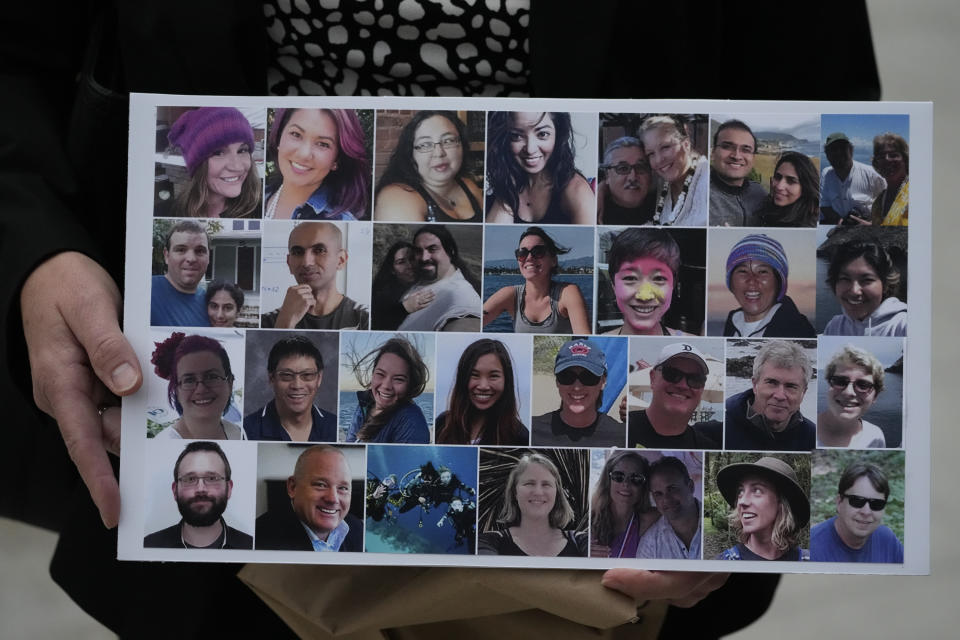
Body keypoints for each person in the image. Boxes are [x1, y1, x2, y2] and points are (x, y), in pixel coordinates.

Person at [7, 3, 883, 636]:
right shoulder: (312, 365)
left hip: (605, 594)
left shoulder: (547, 346)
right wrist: (37, 249)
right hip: (221, 574)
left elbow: (811, 79)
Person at [485, 111, 594, 225]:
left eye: (542, 134)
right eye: (516, 136)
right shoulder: (503, 185)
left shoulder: (577, 191)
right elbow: (493, 241)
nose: (530, 149)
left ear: (558, 134)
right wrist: (506, 193)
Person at [374, 111, 483, 222]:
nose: (439, 153)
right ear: (410, 154)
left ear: (462, 146)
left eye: (448, 140)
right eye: (425, 144)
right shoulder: (396, 198)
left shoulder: (469, 186)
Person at [264, 108, 369, 220]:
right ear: (279, 137)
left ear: (337, 160)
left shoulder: (345, 222)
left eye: (323, 144)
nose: (304, 154)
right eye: (296, 134)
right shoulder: (256, 199)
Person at [260, 221, 369, 329]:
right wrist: (285, 323)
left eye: (319, 250)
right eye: (297, 252)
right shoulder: (266, 322)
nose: (306, 263)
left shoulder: (365, 318)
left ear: (340, 260)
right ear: (289, 263)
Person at [144, 441, 252, 549]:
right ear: (175, 491)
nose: (201, 489)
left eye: (212, 478)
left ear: (229, 489)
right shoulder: (149, 545)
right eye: (190, 479)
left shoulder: (249, 546)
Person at [482, 226, 590, 334]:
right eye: (522, 253)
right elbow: (476, 319)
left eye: (538, 251)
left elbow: (584, 340)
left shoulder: (568, 293)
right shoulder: (510, 295)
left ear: (553, 260)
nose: (529, 258)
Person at [255, 445, 363, 552]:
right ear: (292, 487)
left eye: (343, 488)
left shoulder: (358, 529)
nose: (333, 499)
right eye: (321, 485)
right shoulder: (259, 539)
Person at [478, 453, 587, 556]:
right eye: (529, 483)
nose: (538, 492)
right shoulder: (490, 541)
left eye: (546, 484)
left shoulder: (580, 540)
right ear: (515, 492)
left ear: (557, 494)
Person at [162, 107, 261, 219]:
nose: (237, 167)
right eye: (218, 153)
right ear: (197, 164)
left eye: (242, 150)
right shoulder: (167, 213)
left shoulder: (262, 211)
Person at [149, 332, 245, 440]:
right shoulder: (165, 443)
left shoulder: (238, 433)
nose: (201, 389)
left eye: (212, 377)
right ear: (176, 390)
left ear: (230, 383)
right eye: (189, 380)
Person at [435, 339, 529, 446]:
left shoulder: (520, 436)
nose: (483, 386)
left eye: (493, 376)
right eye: (474, 375)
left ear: (506, 380)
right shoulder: (443, 424)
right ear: (463, 378)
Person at [627, 342, 722, 449]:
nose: (683, 385)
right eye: (672, 374)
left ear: (702, 387)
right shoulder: (622, 431)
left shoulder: (707, 447)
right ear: (653, 378)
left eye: (695, 379)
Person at [725, 340, 816, 451]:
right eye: (772, 383)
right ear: (755, 384)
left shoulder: (812, 436)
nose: (780, 396)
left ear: (803, 392)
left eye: (791, 386)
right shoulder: (721, 425)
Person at [531, 339, 624, 447]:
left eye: (588, 377)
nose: (577, 387)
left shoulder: (621, 437)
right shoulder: (532, 431)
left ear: (603, 382)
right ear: (557, 381)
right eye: (567, 377)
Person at [716, 456, 810, 561]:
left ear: (781, 502)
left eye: (757, 491)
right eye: (740, 492)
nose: (742, 502)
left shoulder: (807, 561)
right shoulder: (725, 563)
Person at [243, 336, 337, 442]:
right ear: (271, 378)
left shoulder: (336, 427)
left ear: (319, 378)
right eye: (287, 375)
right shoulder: (245, 432)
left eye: (307, 375)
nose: (297, 385)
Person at [722, 233, 816, 338]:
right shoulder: (731, 324)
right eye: (743, 271)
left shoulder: (800, 332)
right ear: (731, 282)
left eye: (762, 271)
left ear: (779, 282)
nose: (752, 280)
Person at [603, 227, 692, 336]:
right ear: (613, 285)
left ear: (673, 285)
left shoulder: (694, 346)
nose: (644, 296)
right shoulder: (598, 345)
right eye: (630, 278)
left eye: (659, 278)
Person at [810, 461, 903, 562]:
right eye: (857, 501)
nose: (866, 512)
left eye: (876, 504)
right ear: (839, 502)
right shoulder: (812, 549)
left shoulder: (888, 541)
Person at [345, 337, 430, 444]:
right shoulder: (364, 404)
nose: (386, 386)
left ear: (410, 385)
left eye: (398, 379)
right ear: (373, 373)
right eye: (380, 374)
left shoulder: (412, 421)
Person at [397, 225, 482, 331]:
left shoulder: (461, 294)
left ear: (450, 251)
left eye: (432, 249)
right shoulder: (417, 279)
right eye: (419, 251)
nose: (424, 257)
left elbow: (467, 326)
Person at [823, 240, 907, 336]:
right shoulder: (835, 326)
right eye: (845, 279)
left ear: (885, 285)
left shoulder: (903, 325)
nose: (855, 291)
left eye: (867, 280)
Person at [638, 115, 708, 226]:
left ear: (686, 144)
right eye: (651, 153)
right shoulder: (661, 182)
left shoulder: (709, 180)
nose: (659, 159)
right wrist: (602, 189)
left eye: (665, 147)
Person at [589, 451, 659, 558]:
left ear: (644, 486)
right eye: (618, 476)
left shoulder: (651, 520)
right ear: (608, 481)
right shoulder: (589, 520)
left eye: (636, 478)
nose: (626, 484)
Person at [817, 344, 888, 447]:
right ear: (829, 384)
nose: (848, 392)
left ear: (875, 396)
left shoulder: (876, 437)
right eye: (840, 381)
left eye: (863, 385)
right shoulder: (808, 431)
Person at [636, 456, 702, 560]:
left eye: (672, 489)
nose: (666, 499)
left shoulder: (721, 526)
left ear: (690, 486)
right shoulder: (650, 544)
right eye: (658, 494)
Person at [151, 220, 211, 327]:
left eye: (200, 251)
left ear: (208, 257)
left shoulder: (211, 303)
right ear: (166, 256)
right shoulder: (144, 291)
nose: (191, 259)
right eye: (181, 250)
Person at [819, 131, 886, 224]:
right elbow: (824, 204)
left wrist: (872, 224)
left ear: (851, 150)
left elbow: (889, 205)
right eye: (833, 149)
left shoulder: (872, 175)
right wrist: (841, 223)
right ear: (827, 154)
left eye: (842, 148)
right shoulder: (826, 174)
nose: (838, 152)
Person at [708, 119, 766, 227]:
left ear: (753, 158)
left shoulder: (760, 194)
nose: (736, 156)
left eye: (745, 150)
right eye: (727, 147)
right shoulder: (699, 195)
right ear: (713, 152)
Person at [371, 240, 434, 330]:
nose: (410, 266)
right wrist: (405, 308)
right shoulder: (381, 296)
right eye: (401, 262)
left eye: (412, 259)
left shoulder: (428, 280)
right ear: (392, 270)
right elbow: (377, 325)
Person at [596, 136, 655, 225]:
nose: (633, 177)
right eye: (623, 168)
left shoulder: (664, 204)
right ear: (607, 175)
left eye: (640, 167)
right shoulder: (595, 213)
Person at [756, 152, 820, 227]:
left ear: (805, 187)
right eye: (778, 177)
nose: (779, 186)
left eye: (791, 181)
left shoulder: (805, 228)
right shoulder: (765, 209)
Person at [869, 133, 909, 226]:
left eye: (893, 155)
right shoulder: (877, 204)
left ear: (905, 159)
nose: (887, 159)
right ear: (877, 163)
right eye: (881, 157)